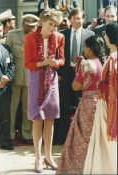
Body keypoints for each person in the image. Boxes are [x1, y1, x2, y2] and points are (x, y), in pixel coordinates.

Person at [56, 35, 105, 174]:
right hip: (100, 103)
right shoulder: (103, 62)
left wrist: (78, 71)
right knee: (94, 138)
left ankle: (78, 169)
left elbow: (75, 86)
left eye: (85, 47)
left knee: (81, 139)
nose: (84, 50)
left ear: (89, 49)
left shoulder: (86, 64)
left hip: (87, 104)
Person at [24, 9, 65, 173]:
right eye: (50, 25)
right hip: (35, 77)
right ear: (42, 22)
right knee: (37, 119)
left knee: (50, 119)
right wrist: (45, 62)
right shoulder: (30, 38)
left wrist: (57, 63)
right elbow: (28, 63)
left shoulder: (60, 37)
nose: (53, 28)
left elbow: (62, 59)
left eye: (55, 25)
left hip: (51, 77)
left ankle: (49, 157)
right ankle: (38, 159)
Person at [54, 7, 94, 144]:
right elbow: (57, 54)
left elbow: (93, 55)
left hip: (82, 75)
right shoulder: (62, 34)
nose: (77, 20)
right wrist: (58, 74)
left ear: (83, 19)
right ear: (70, 19)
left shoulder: (90, 34)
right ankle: (62, 138)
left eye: (80, 18)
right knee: (64, 106)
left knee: (80, 106)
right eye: (75, 18)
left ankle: (80, 138)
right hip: (65, 75)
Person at [83, 21, 117, 174]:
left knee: (106, 142)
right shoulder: (112, 58)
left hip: (108, 105)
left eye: (106, 33)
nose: (104, 36)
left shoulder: (113, 60)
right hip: (108, 103)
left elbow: (111, 86)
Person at [6, 14, 39, 145]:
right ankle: (10, 134)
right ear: (22, 24)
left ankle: (26, 134)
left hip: (31, 76)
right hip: (15, 76)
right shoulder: (13, 35)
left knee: (27, 108)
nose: (30, 28)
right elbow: (6, 53)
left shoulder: (37, 36)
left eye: (33, 26)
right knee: (12, 108)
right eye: (28, 25)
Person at [0, 21, 15, 150]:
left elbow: (12, 65)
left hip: (5, 88)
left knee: (4, 116)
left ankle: (4, 141)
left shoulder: (6, 48)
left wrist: (8, 77)